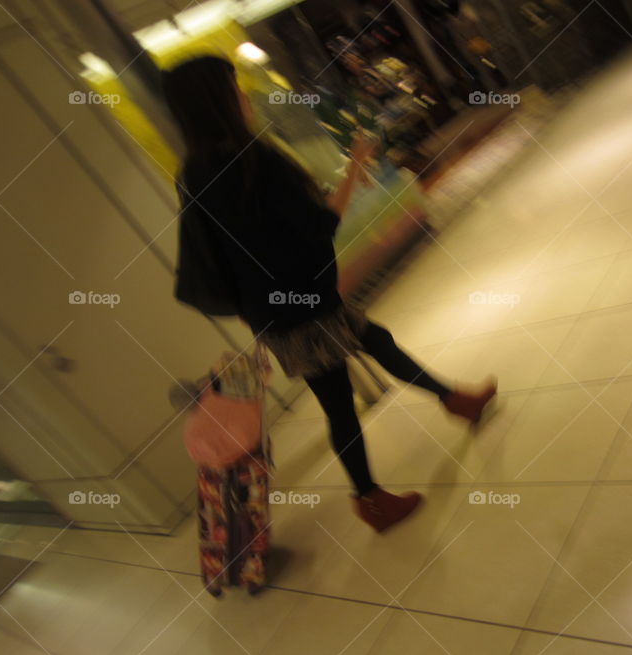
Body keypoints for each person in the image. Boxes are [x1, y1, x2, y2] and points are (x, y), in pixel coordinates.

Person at [162, 55, 496, 533]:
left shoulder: (193, 173)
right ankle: (370, 498)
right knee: (339, 402)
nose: (244, 97)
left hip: (276, 311)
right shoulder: (254, 159)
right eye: (234, 89)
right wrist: (356, 162)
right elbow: (321, 227)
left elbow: (216, 258)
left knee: (374, 341)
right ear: (218, 100)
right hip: (303, 307)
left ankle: (455, 401)